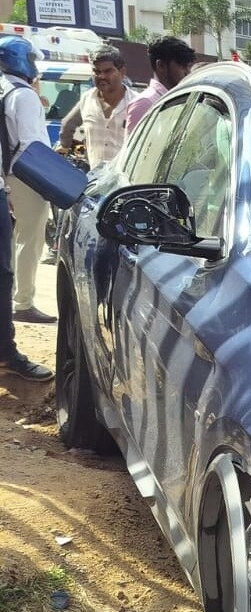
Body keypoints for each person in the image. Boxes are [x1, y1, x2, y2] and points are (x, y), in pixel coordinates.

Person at [0, 36, 54, 381]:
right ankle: (21, 311)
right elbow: (33, 146)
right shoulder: (23, 96)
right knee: (24, 246)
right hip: (27, 177)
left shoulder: (4, 90)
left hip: (7, 180)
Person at [59, 46, 133, 167]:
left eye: (108, 71)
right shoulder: (87, 99)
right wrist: (64, 147)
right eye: (97, 71)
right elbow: (67, 125)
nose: (102, 76)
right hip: (96, 180)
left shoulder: (136, 102)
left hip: (127, 180)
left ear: (122, 72)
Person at [126, 36, 195, 134]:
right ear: (161, 65)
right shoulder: (144, 104)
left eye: (188, 67)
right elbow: (134, 148)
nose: (188, 72)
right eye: (183, 66)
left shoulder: (180, 98)